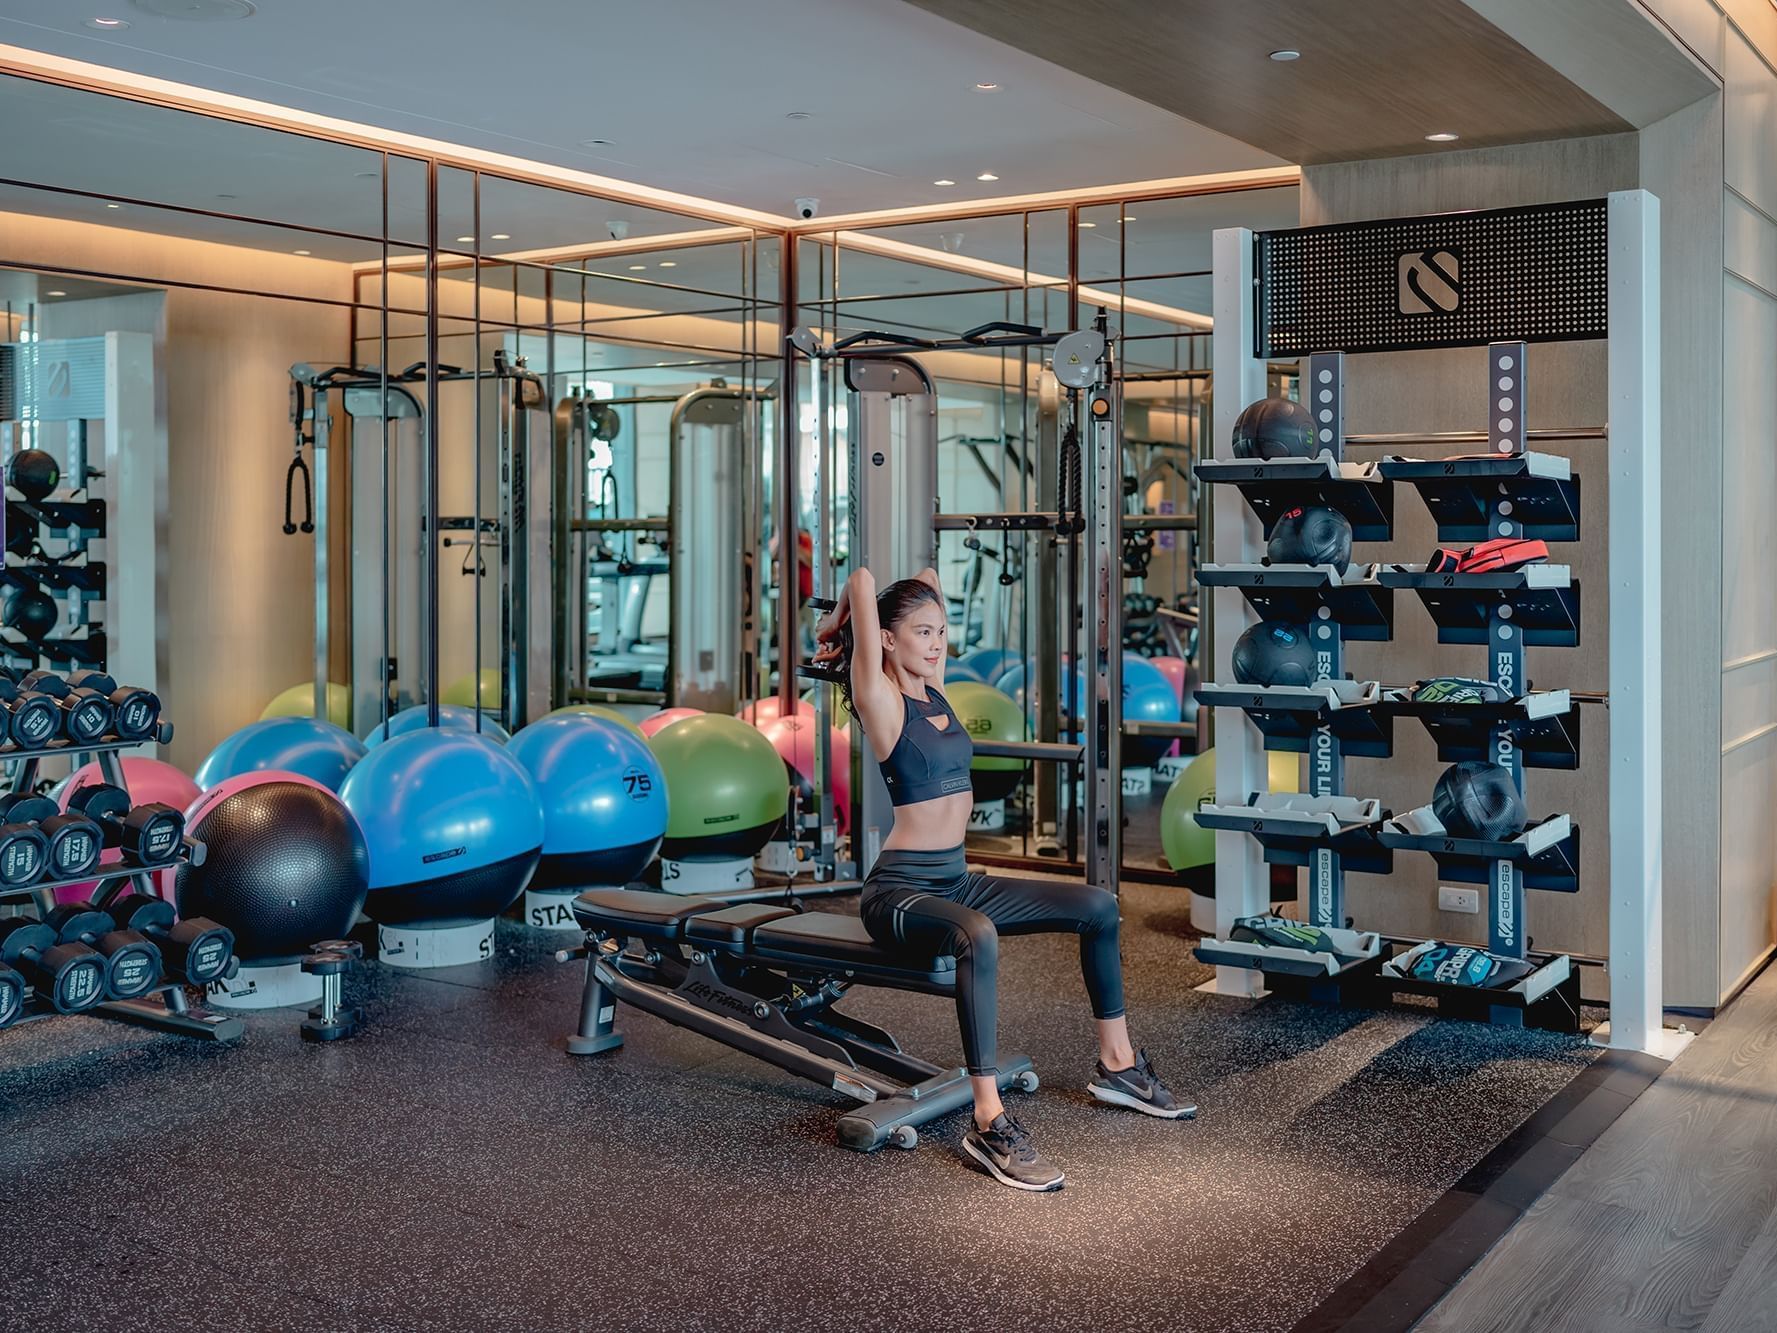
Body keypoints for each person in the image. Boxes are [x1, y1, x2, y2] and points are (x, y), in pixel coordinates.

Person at [814, 564, 1192, 1192]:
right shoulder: (880, 698)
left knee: (1098, 906)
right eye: (922, 632)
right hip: (901, 892)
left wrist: (917, 605)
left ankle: (1119, 1064)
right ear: (885, 638)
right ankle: (989, 1121)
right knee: (978, 935)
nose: (937, 644)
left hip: (955, 879)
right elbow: (861, 578)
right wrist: (838, 625)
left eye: (941, 630)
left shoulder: (935, 687)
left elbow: (928, 574)